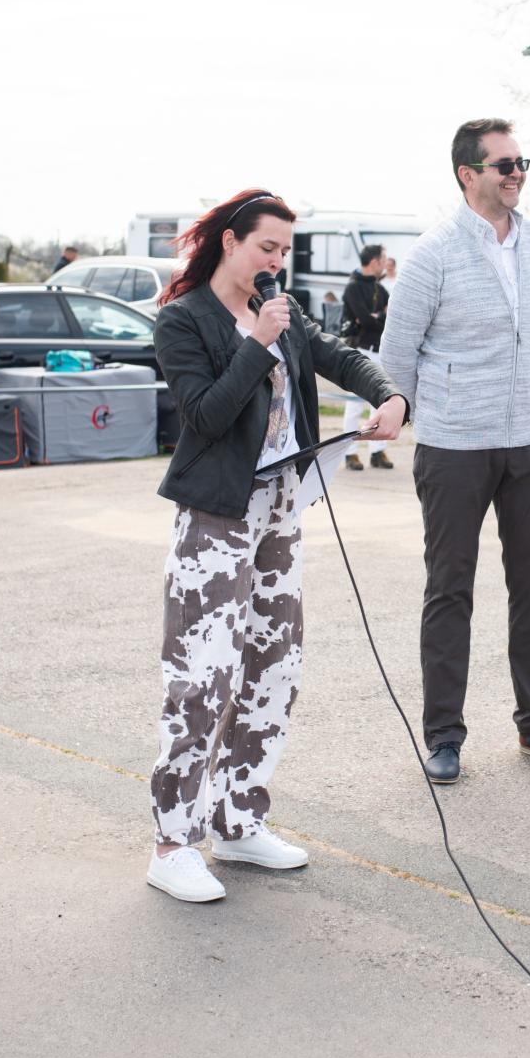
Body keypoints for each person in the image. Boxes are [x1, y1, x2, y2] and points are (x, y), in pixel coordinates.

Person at [145, 189, 405, 903]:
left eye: (284, 250)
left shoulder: (280, 311)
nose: (276, 262)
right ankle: (173, 843)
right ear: (229, 242)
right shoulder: (185, 319)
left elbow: (340, 356)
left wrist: (389, 395)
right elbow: (205, 416)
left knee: (274, 667)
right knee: (202, 675)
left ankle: (238, 820)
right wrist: (255, 343)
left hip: (281, 509)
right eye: (267, 247)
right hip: (216, 514)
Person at [379, 118, 530, 785]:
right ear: (469, 174)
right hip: (455, 444)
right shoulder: (433, 253)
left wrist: (526, 396)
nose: (517, 173)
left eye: (522, 162)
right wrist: (407, 407)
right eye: (504, 164)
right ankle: (444, 734)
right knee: (450, 589)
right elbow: (397, 353)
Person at [340, 244, 394, 471]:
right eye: (383, 259)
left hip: (380, 351)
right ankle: (350, 453)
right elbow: (365, 320)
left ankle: (377, 451)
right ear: (374, 261)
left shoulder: (380, 289)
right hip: (359, 352)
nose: (386, 263)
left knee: (380, 404)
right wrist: (380, 316)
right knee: (354, 405)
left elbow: (391, 317)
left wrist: (376, 317)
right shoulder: (352, 288)